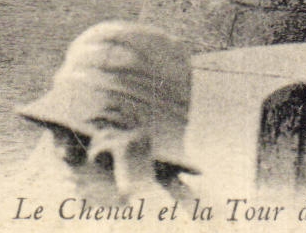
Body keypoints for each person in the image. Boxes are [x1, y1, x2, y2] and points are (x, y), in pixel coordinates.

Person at [16, 21, 197, 207]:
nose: (63, 153)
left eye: (81, 141)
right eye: (58, 131)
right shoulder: (50, 202)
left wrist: (141, 189)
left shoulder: (191, 214)